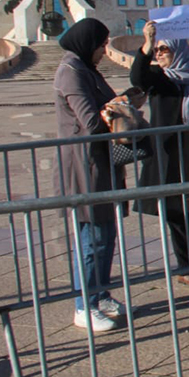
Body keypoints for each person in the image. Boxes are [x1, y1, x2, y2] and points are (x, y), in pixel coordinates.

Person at [130, 21, 189, 286]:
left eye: (164, 49)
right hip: (169, 154)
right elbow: (137, 78)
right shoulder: (159, 76)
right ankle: (187, 268)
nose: (159, 54)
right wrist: (147, 43)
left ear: (178, 49)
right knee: (176, 213)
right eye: (157, 50)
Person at [54, 18, 127, 332]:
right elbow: (91, 121)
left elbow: (105, 104)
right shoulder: (71, 72)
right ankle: (83, 305)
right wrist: (116, 109)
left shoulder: (87, 69)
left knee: (106, 235)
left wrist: (124, 101)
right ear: (88, 44)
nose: (104, 51)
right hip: (83, 165)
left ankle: (100, 293)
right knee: (91, 238)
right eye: (101, 45)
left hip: (101, 162)